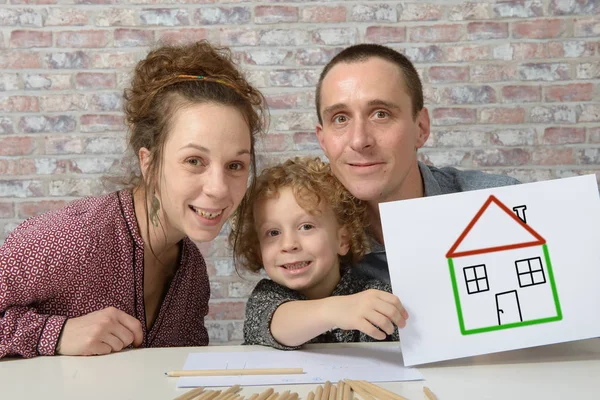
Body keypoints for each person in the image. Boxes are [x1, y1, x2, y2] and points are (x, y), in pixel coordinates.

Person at [0, 40, 267, 358]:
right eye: (194, 160)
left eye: (235, 165)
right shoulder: (68, 240)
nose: (219, 188)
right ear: (148, 162)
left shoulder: (192, 273)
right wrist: (54, 334)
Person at [314, 43, 520, 284]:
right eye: (340, 119)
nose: (359, 141)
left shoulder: (504, 205)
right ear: (323, 140)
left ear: (421, 128)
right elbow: (267, 304)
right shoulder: (307, 234)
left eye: (381, 114)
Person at [231, 157, 407, 350]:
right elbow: (277, 323)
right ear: (259, 250)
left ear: (342, 240)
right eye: (273, 233)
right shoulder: (266, 298)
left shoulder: (372, 294)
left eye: (306, 226)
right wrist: (336, 310)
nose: (289, 245)